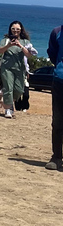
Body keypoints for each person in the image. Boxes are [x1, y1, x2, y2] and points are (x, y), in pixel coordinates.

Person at [0, 21, 36, 118]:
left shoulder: (25, 42)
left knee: (19, 90)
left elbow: (29, 54)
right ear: (10, 29)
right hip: (7, 68)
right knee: (8, 88)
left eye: (17, 29)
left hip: (20, 69)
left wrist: (20, 46)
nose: (15, 31)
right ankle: (8, 109)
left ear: (21, 30)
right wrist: (9, 45)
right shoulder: (6, 40)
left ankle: (8, 102)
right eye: (13, 29)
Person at [46, 24, 63, 171]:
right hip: (59, 81)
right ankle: (57, 156)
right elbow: (52, 53)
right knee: (57, 121)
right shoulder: (56, 32)